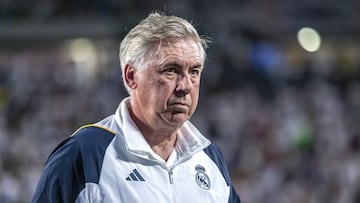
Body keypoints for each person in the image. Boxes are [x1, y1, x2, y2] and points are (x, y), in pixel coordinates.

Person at [31, 12, 241, 203]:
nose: (185, 86)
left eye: (194, 72)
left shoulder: (209, 156)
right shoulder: (85, 154)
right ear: (131, 77)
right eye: (171, 70)